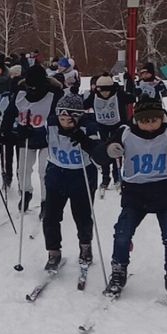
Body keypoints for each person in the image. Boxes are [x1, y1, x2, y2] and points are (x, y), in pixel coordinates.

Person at [103, 98, 167, 303]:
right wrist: (110, 149)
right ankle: (118, 271)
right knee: (122, 233)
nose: (149, 125)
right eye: (144, 121)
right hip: (135, 194)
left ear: (162, 118)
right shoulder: (125, 132)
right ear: (136, 120)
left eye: (154, 120)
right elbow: (102, 153)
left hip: (166, 193)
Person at [39, 93, 108, 275]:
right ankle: (53, 252)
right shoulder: (52, 123)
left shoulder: (89, 126)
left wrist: (83, 139)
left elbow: (101, 153)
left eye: (69, 119)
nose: (64, 122)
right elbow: (38, 137)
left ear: (77, 117)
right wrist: (21, 133)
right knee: (51, 216)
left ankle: (85, 247)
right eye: (62, 118)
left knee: (82, 216)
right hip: (56, 173)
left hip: (81, 175)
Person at [0, 64, 61, 212]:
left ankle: (46, 201)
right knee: (23, 170)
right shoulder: (20, 93)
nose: (32, 90)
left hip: (47, 139)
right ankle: (26, 193)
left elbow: (58, 118)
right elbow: (9, 114)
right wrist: (5, 132)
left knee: (43, 170)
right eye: (29, 86)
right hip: (25, 137)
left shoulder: (54, 94)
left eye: (35, 87)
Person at [84, 74, 131, 189]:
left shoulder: (118, 94)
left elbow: (131, 98)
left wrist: (135, 91)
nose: (105, 93)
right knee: (104, 151)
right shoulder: (93, 95)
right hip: (102, 126)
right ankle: (105, 178)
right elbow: (84, 105)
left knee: (116, 150)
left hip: (118, 126)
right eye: (102, 91)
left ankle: (117, 177)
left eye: (108, 91)